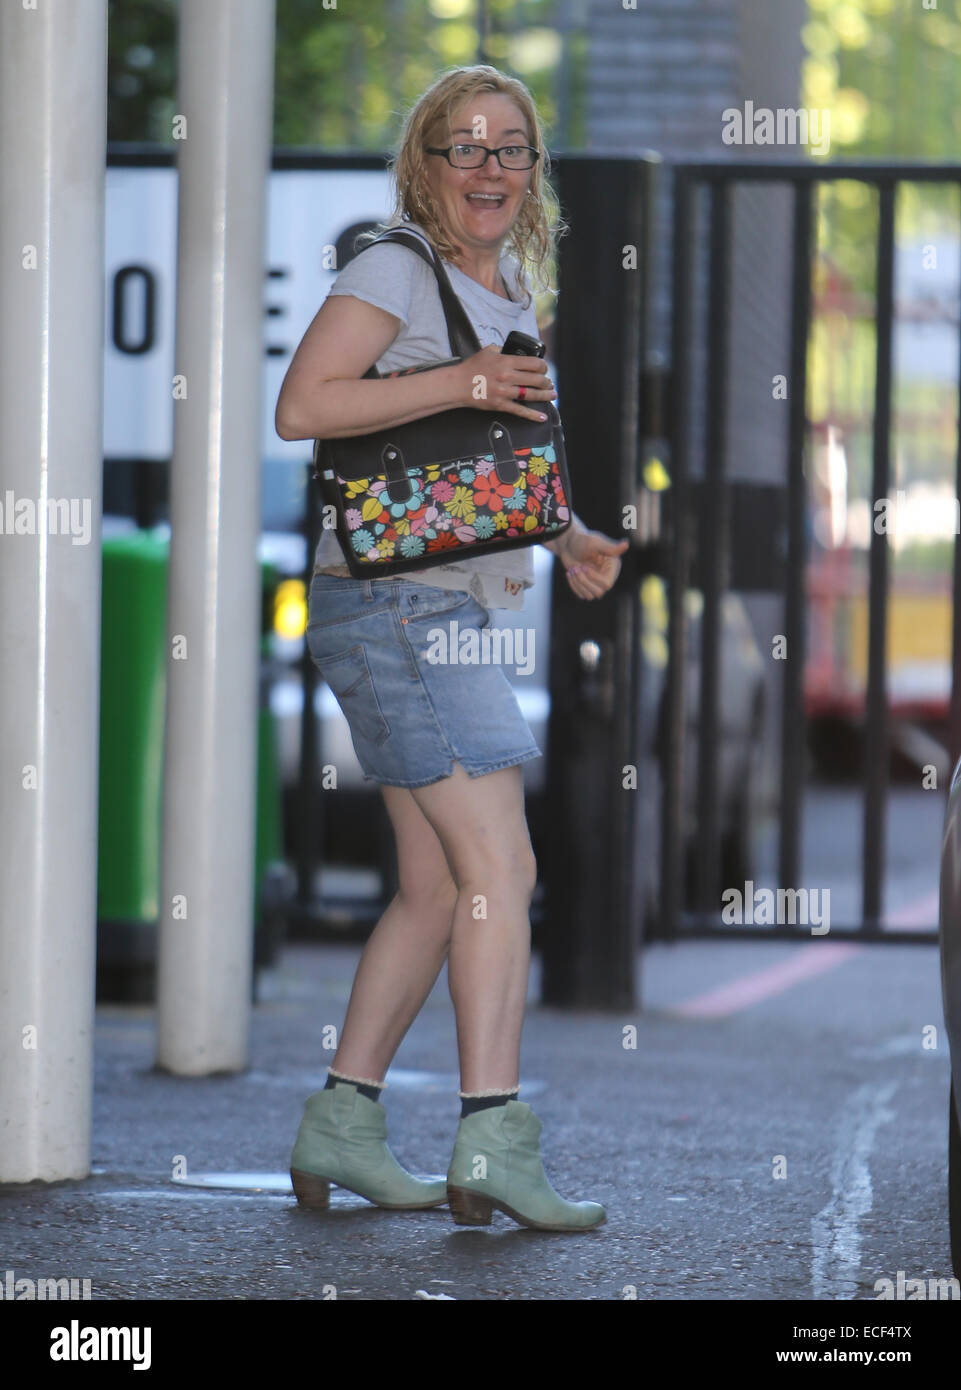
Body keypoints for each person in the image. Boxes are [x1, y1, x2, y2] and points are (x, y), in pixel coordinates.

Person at [274, 64, 628, 1233]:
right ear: (424, 164)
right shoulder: (394, 267)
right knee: (505, 872)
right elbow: (305, 406)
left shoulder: (508, 279)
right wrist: (465, 371)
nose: (488, 167)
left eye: (510, 148)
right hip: (397, 609)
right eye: (463, 147)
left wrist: (564, 532)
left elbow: (476, 457)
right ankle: (493, 1137)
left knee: (433, 887)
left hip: (442, 606)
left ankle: (343, 1124)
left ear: (533, 172)